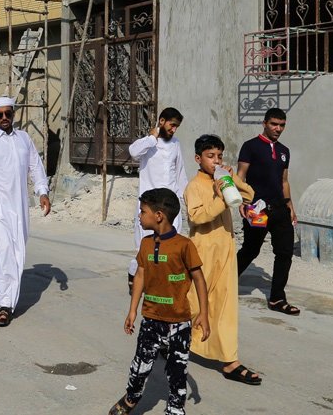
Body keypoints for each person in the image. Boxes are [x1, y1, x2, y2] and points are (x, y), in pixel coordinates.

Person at [110, 188, 210, 415]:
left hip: (179, 322)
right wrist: (132, 310)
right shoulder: (145, 244)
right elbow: (140, 275)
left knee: (177, 371)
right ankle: (131, 398)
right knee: (140, 366)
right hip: (151, 320)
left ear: (158, 215)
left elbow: (199, 280)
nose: (139, 215)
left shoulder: (184, 245)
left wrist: (203, 314)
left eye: (142, 211)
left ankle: (175, 409)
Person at [183, 134, 260, 385]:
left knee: (225, 306)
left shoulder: (224, 180)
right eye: (210, 156)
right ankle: (173, 338)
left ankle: (230, 361)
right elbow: (197, 217)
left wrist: (232, 179)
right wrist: (218, 195)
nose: (216, 161)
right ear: (198, 159)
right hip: (203, 252)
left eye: (219, 156)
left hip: (225, 250)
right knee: (194, 302)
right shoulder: (194, 186)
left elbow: (248, 195)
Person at [0, 96, 50, 327]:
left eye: (8, 113)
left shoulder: (24, 138)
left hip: (19, 205)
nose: (5, 118)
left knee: (17, 250)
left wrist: (42, 191)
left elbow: (36, 166)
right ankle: (6, 305)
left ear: (13, 113)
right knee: (4, 251)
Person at [236, 107, 300, 315]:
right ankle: (222, 283)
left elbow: (284, 181)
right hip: (256, 208)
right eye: (274, 124)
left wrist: (290, 207)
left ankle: (277, 298)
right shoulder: (250, 146)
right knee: (250, 250)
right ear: (264, 123)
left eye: (281, 125)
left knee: (284, 253)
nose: (278, 128)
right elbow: (240, 176)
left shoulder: (284, 151)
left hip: (280, 208)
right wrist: (242, 202)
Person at [127, 108, 188, 287]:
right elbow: (133, 152)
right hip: (150, 204)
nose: (174, 129)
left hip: (170, 203)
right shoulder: (147, 143)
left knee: (170, 243)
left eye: (177, 126)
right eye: (172, 125)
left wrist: (185, 198)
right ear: (162, 121)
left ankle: (162, 280)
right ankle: (134, 275)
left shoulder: (175, 144)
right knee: (145, 244)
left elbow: (180, 173)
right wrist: (152, 138)